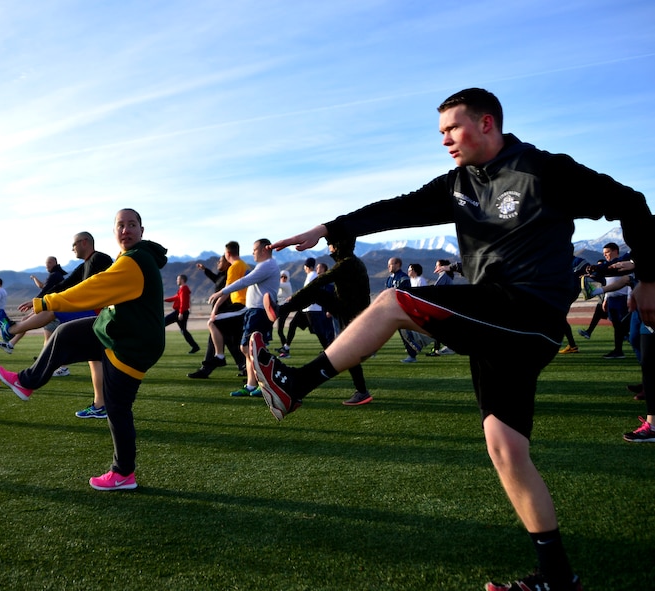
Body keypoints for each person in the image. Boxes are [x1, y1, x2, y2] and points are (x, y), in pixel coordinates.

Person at [248, 88, 655, 591]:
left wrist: (651, 279)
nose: (445, 140)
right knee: (505, 447)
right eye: (440, 132)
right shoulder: (459, 183)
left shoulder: (544, 170)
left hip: (528, 313)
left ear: (488, 124)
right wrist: (330, 228)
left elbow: (630, 202)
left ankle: (296, 383)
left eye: (452, 129)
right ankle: (557, 578)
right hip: (492, 321)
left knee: (393, 303)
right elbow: (398, 208)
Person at [0, 209, 168, 491]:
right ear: (114, 232)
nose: (125, 230)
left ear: (142, 230)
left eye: (132, 225)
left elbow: (92, 289)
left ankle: (123, 473)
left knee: (117, 407)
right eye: (120, 225)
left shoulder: (136, 261)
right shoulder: (129, 259)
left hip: (132, 344)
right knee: (66, 334)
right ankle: (27, 381)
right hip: (115, 329)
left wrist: (45, 302)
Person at [0, 232, 114, 418]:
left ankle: (11, 330)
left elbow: (84, 289)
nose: (72, 248)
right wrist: (38, 300)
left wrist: (47, 302)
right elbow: (65, 285)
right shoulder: (85, 265)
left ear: (84, 243)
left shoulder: (99, 259)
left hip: (99, 313)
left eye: (74, 244)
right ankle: (100, 405)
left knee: (53, 310)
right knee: (95, 360)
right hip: (98, 315)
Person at [267, 236, 372, 406]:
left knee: (348, 350)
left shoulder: (347, 264)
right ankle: (362, 391)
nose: (329, 248)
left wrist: (293, 298)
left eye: (330, 245)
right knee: (347, 348)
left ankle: (362, 391)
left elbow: (321, 280)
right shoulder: (353, 262)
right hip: (348, 309)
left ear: (337, 247)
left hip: (351, 313)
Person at [208, 239, 279, 398]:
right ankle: (251, 385)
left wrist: (221, 292)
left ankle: (266, 384)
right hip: (252, 311)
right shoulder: (263, 266)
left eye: (254, 250)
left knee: (253, 349)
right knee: (247, 349)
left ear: (263, 250)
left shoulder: (267, 265)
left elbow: (244, 281)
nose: (252, 253)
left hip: (259, 312)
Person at [188, 242, 249, 379]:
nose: (218, 263)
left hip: (235, 307)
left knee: (216, 328)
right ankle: (243, 366)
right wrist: (205, 270)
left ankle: (214, 362)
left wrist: (215, 309)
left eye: (221, 260)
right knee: (229, 339)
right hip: (235, 308)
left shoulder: (233, 268)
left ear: (227, 256)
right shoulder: (236, 268)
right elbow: (218, 280)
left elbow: (226, 290)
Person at [1, 256, 68, 353]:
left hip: (51, 309)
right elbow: (43, 287)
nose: (47, 265)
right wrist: (34, 278)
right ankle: (11, 344)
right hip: (48, 307)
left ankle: (60, 366)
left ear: (55, 263)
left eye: (49, 263)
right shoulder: (56, 275)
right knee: (26, 320)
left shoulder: (55, 275)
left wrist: (34, 303)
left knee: (48, 341)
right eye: (46, 263)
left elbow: (45, 290)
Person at [278, 257, 328, 357]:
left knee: (318, 331)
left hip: (312, 309)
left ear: (307, 266)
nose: (304, 268)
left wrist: (294, 297)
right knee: (292, 324)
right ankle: (286, 348)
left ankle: (329, 350)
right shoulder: (311, 275)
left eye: (305, 266)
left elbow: (306, 291)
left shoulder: (312, 276)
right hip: (306, 309)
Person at [164, 274, 201, 354]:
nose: (177, 281)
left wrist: (180, 313)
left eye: (178, 279)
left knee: (162, 323)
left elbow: (183, 302)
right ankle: (195, 347)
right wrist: (164, 300)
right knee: (183, 331)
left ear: (182, 280)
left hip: (181, 312)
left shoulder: (184, 288)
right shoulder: (182, 289)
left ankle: (195, 347)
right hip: (181, 312)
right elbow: (175, 298)